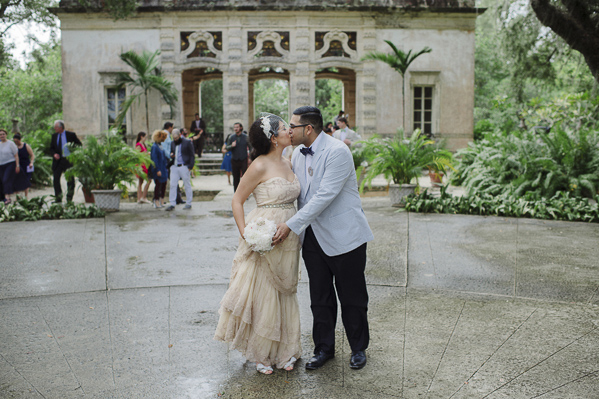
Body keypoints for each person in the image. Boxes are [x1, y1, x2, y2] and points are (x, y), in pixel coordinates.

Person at [273, 106, 374, 371]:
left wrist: (290, 225)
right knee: (320, 297)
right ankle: (323, 348)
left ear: (308, 129)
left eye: (292, 126)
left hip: (346, 236)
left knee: (352, 296)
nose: (289, 131)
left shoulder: (338, 151)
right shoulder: (296, 154)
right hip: (313, 237)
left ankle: (358, 348)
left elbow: (324, 196)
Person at [214, 113, 301, 375]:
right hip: (264, 234)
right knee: (264, 291)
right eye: (286, 128)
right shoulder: (259, 165)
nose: (290, 131)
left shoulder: (289, 161)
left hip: (289, 235)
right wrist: (246, 233)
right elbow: (237, 200)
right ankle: (262, 353)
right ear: (274, 137)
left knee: (285, 290)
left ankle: (285, 350)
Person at [50, 120, 81, 203]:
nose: (54, 128)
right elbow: (51, 148)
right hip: (58, 161)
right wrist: (54, 154)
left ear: (61, 127)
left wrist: (73, 154)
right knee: (56, 179)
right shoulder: (54, 136)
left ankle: (69, 198)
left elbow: (79, 145)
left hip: (68, 160)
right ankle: (58, 198)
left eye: (56, 127)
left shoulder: (71, 135)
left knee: (70, 180)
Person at [165, 129, 194, 211]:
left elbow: (192, 155)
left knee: (187, 184)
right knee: (173, 185)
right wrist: (172, 155)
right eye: (174, 138)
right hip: (174, 166)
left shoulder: (187, 142)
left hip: (184, 166)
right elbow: (172, 152)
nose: (175, 139)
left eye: (176, 138)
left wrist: (190, 167)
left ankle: (189, 203)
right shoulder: (172, 143)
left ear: (180, 135)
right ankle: (172, 203)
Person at [226, 122, 250, 192]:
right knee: (235, 178)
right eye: (234, 127)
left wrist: (251, 158)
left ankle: (245, 193)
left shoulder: (246, 137)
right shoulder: (231, 137)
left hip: (243, 159)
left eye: (237, 127)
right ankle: (236, 193)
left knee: (245, 177)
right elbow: (227, 147)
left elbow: (251, 148)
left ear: (241, 128)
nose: (235, 129)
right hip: (234, 160)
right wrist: (231, 146)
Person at [0, 129, 20, 204]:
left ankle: (7, 197)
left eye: (3, 134)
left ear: (6, 135)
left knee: (6, 179)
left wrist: (17, 165)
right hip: (1, 165)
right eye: (0, 134)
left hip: (10, 163)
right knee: (2, 181)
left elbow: (16, 155)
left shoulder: (10, 143)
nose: (2, 136)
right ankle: (5, 196)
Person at [12, 133, 34, 198]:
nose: (16, 142)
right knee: (16, 180)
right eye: (15, 141)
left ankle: (26, 196)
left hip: (26, 165)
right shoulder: (14, 147)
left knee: (26, 180)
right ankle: (18, 196)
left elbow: (32, 155)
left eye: (17, 141)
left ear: (20, 140)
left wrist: (31, 163)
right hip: (18, 165)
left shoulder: (26, 146)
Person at [150, 130, 168, 208]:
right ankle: (156, 200)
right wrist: (157, 169)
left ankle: (162, 200)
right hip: (158, 168)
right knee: (158, 184)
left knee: (164, 184)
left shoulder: (160, 146)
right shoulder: (154, 147)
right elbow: (154, 159)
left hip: (163, 168)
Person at [135, 132, 151, 204]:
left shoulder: (143, 145)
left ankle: (140, 198)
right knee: (148, 180)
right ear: (141, 137)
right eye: (145, 137)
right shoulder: (138, 145)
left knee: (140, 182)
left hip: (144, 164)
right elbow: (137, 155)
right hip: (141, 165)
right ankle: (143, 197)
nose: (145, 139)